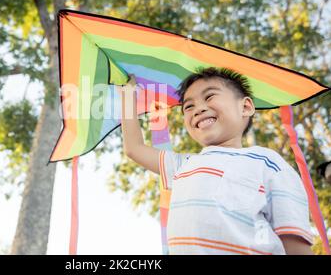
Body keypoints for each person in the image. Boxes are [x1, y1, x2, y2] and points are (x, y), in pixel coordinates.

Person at [119, 66, 314, 255]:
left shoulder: (267, 162)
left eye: (210, 96)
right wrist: (128, 97)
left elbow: (294, 241)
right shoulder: (183, 165)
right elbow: (134, 148)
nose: (198, 109)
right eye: (188, 106)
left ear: (245, 107)